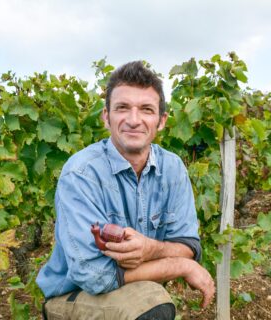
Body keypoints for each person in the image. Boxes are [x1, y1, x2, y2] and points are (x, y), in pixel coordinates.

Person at [36, 61, 215, 320]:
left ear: (161, 121)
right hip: (73, 295)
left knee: (150, 303)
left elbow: (187, 244)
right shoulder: (81, 174)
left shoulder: (173, 168)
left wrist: (151, 249)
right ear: (106, 117)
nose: (134, 120)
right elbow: (94, 276)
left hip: (134, 289)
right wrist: (178, 264)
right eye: (122, 108)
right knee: (152, 308)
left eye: (146, 109)